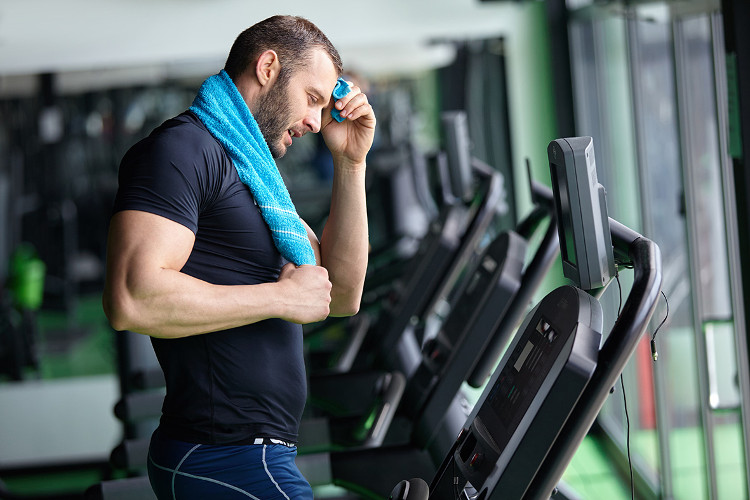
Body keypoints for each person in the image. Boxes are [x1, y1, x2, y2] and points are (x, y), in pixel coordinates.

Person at [102, 15, 374, 499]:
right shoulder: (182, 150)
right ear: (268, 67)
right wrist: (279, 297)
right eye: (312, 98)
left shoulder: (253, 172)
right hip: (221, 454)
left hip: (252, 455)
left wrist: (350, 164)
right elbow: (131, 297)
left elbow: (341, 294)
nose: (316, 121)